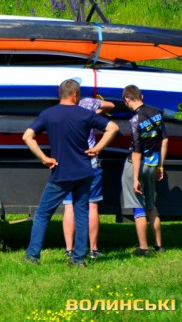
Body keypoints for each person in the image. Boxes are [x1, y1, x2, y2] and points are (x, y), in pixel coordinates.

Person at [23, 79, 118, 266]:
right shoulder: (85, 114)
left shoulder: (48, 114)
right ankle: (78, 259)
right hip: (84, 172)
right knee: (81, 214)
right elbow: (113, 127)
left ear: (61, 94)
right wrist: (97, 148)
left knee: (43, 214)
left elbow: (27, 136)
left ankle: (32, 256)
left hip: (61, 173)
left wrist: (44, 158)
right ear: (75, 94)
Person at [62, 97, 115, 260]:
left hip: (68, 164)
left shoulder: (60, 111)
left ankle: (69, 249)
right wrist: (97, 112)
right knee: (92, 206)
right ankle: (93, 249)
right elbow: (111, 105)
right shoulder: (87, 104)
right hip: (90, 162)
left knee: (69, 206)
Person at [121, 84, 169, 256]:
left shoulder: (135, 120)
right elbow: (164, 140)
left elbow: (136, 151)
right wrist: (160, 165)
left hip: (138, 165)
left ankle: (143, 248)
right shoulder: (157, 113)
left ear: (126, 99)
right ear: (141, 96)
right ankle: (159, 246)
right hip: (152, 164)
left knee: (138, 206)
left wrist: (135, 178)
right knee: (151, 205)